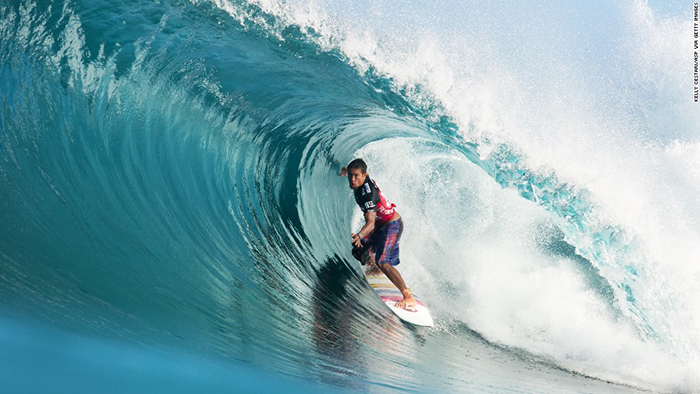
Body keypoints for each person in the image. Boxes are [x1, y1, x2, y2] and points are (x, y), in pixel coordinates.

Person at [340, 158, 417, 310]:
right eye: (350, 175)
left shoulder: (368, 195)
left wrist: (360, 235)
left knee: (383, 262)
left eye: (356, 176)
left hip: (391, 225)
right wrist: (344, 169)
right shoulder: (359, 177)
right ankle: (374, 264)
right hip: (382, 224)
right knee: (359, 251)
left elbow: (370, 224)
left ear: (364, 175)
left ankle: (408, 297)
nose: (352, 179)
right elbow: (351, 169)